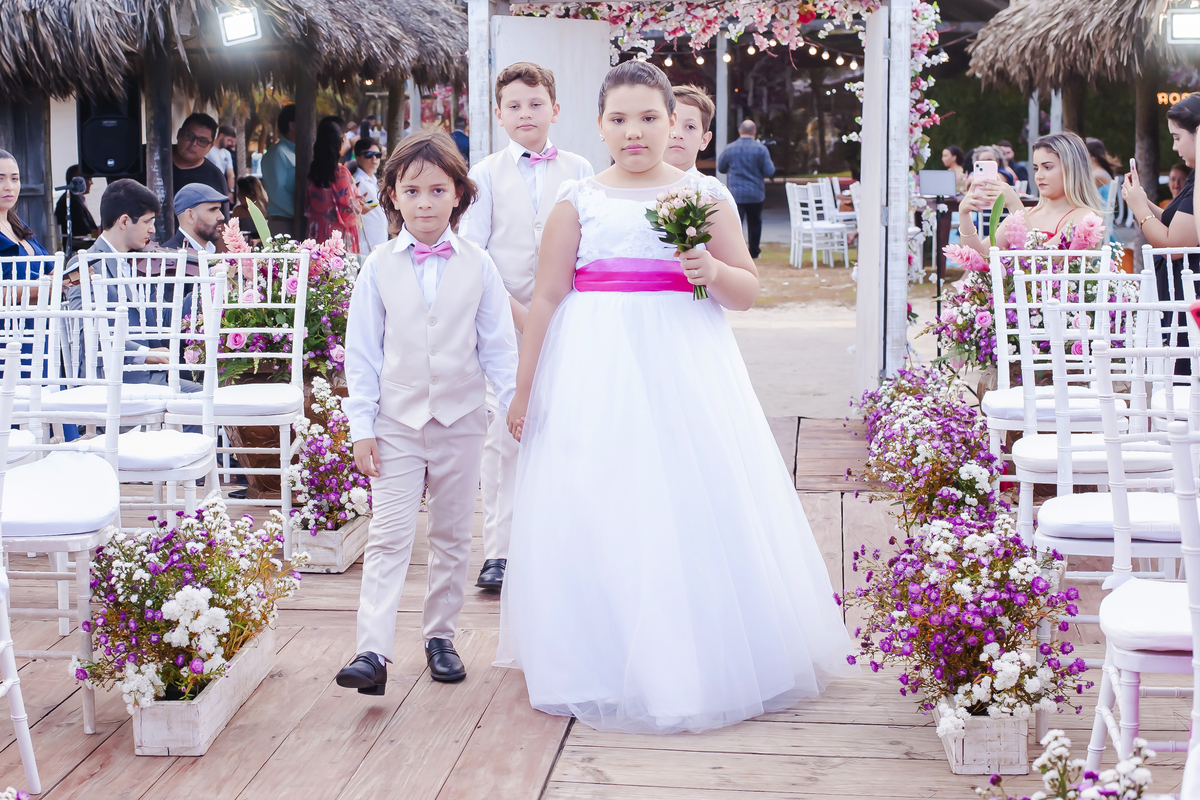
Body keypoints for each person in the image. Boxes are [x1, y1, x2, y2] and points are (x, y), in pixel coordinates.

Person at [496, 60, 855, 734]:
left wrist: (710, 268)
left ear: (675, 123)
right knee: (600, 498)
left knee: (689, 497)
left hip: (686, 366)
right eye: (620, 119)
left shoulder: (706, 194)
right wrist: (525, 388)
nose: (635, 132)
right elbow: (546, 298)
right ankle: (600, 654)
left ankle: (697, 657)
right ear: (599, 125)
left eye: (650, 118)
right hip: (595, 371)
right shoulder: (578, 200)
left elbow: (746, 291)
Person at [336, 131, 518, 693]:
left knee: (451, 534)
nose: (425, 202)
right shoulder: (377, 267)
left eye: (438, 190)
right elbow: (362, 355)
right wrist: (361, 428)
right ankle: (372, 649)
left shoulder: (480, 264)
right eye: (412, 190)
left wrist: (513, 409)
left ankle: (440, 635)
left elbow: (499, 348)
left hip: (461, 420)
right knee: (390, 535)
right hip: (397, 423)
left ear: (459, 195)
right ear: (391, 194)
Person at [459, 61, 594, 592]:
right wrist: (520, 315)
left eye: (536, 104)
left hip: (570, 317)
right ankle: (500, 550)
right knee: (504, 435)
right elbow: (476, 251)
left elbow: (592, 241)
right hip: (506, 323)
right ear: (498, 114)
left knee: (568, 428)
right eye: (513, 106)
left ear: (555, 110)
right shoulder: (486, 173)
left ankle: (565, 543)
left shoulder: (581, 168)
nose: (525, 114)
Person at [64, 179, 175, 380]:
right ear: (124, 221)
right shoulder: (83, 263)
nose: (152, 230)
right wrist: (145, 354)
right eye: (147, 221)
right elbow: (87, 332)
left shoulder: (135, 263)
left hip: (153, 377)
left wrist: (206, 293)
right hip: (114, 380)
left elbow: (162, 316)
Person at [958, 131, 1103, 256]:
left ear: (1072, 169)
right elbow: (981, 256)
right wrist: (964, 214)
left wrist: (1015, 205)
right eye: (1036, 168)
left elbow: (1041, 263)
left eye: (1047, 167)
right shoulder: (1027, 212)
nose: (1039, 176)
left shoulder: (1085, 217)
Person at [1125, 95, 1199, 304]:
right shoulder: (1195, 176)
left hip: (1189, 298)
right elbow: (1174, 221)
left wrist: (1140, 210)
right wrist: (1141, 200)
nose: (1174, 147)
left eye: (1177, 138)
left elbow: (1174, 247)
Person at [666, 85, 737, 211]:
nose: (677, 134)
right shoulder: (634, 188)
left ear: (704, 140)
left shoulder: (716, 195)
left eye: (690, 127)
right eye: (670, 124)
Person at [717, 119, 775, 258]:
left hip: (736, 193)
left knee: (735, 224)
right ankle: (754, 252)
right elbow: (770, 170)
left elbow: (721, 168)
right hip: (756, 193)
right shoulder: (761, 149)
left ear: (739, 131)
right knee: (755, 223)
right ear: (754, 132)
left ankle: (735, 253)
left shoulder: (730, 148)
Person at [306, 116, 364, 251]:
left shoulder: (312, 174)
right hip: (338, 237)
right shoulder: (341, 174)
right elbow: (350, 211)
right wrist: (360, 203)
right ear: (340, 145)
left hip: (318, 231)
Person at [0, 149, 52, 282]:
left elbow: (50, 270)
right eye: (0, 179)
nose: (9, 187)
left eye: (14, 179)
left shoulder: (18, 224)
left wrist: (74, 274)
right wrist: (42, 287)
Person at [172, 113, 229, 217]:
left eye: (202, 141)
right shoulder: (150, 158)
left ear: (210, 146)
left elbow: (221, 222)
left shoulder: (215, 177)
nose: (194, 143)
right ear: (179, 134)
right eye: (189, 136)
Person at [164, 183, 227, 272]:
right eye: (212, 209)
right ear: (190, 216)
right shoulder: (168, 258)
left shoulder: (212, 250)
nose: (221, 216)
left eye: (219, 209)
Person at [262, 104, 298, 237]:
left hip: (295, 222)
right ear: (292, 125)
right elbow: (278, 192)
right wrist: (301, 214)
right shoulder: (278, 154)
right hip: (283, 224)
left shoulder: (296, 152)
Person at [352, 137, 389, 255]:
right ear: (358, 158)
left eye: (377, 155)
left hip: (380, 239)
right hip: (366, 244)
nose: (374, 158)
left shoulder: (374, 180)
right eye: (368, 154)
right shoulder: (357, 181)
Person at [54, 164, 99, 248]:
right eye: (88, 178)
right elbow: (82, 230)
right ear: (77, 178)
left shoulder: (76, 199)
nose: (91, 182)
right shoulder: (70, 201)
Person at [206, 124, 237, 201]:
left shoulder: (227, 153)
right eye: (229, 140)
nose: (230, 143)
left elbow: (230, 174)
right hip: (208, 187)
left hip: (221, 188)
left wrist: (231, 191)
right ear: (221, 135)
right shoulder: (208, 150)